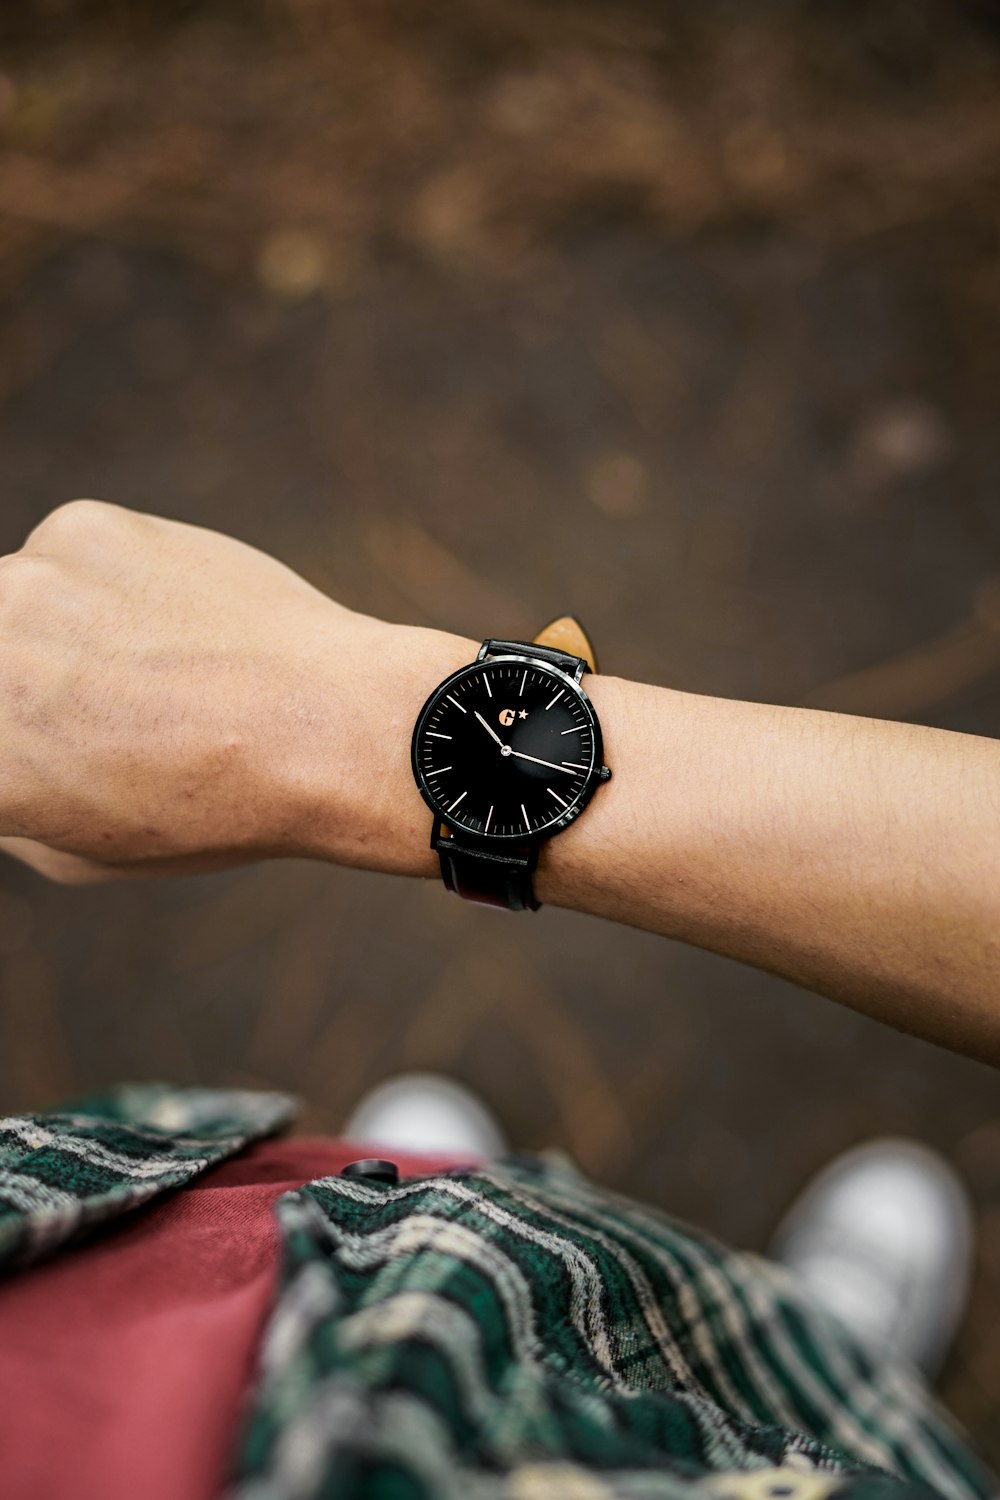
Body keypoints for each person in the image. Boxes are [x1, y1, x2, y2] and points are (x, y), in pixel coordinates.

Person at [0, 499, 997, 1500]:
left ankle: (445, 1223)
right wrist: (325, 727)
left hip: (148, 1279)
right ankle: (817, 1389)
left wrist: (330, 727)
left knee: (413, 1214)